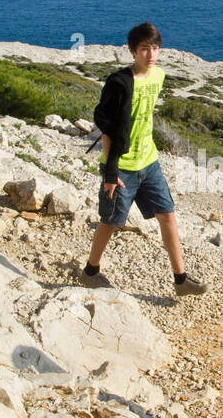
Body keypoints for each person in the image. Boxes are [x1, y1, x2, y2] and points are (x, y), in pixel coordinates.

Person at [77, 21, 207, 296]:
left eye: (155, 48)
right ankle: (90, 271)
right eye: (145, 49)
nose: (151, 55)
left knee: (167, 215)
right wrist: (110, 173)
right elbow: (109, 129)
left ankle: (181, 279)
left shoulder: (158, 76)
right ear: (133, 51)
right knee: (111, 221)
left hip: (149, 161)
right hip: (122, 167)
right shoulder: (118, 83)